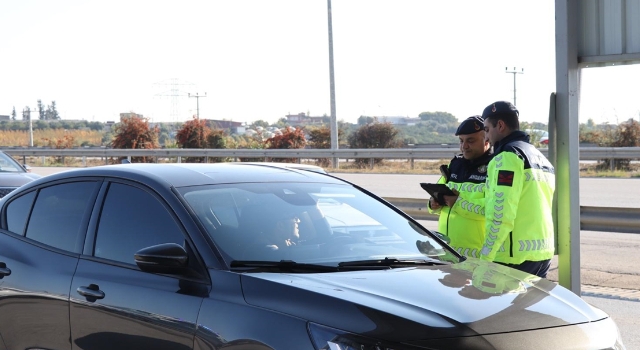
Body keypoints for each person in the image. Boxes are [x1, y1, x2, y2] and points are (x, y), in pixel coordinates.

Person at [480, 101, 555, 278]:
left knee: (497, 306)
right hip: (542, 253)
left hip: (513, 257)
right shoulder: (539, 156)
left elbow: (501, 213)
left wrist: (485, 258)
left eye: (486, 129)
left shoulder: (507, 156)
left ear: (500, 125)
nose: (486, 137)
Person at [427, 115, 492, 258]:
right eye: (461, 141)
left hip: (478, 256)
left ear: (486, 138)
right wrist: (433, 203)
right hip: (447, 252)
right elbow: (436, 192)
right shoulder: (455, 164)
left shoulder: (494, 166)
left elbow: (494, 209)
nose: (464, 146)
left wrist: (458, 203)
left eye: (470, 141)